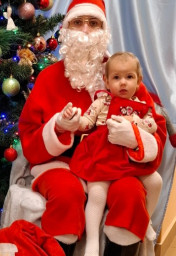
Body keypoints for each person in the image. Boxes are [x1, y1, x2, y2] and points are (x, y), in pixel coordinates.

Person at [18, 0, 167, 256]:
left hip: (116, 165)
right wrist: (59, 128)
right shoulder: (48, 77)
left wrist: (135, 138)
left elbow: (156, 127)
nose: (86, 30)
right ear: (66, 29)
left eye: (93, 23)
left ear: (103, 30)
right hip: (62, 163)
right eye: (78, 22)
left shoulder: (121, 74)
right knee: (66, 194)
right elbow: (29, 135)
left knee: (131, 194)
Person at [68, 52, 162, 256]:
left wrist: (136, 122)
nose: (123, 83)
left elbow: (151, 126)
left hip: (127, 159)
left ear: (138, 81)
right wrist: (75, 120)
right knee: (97, 194)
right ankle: (92, 241)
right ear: (106, 81)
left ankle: (145, 220)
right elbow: (87, 122)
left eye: (129, 77)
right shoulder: (102, 101)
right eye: (116, 77)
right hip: (101, 155)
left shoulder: (142, 106)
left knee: (155, 181)